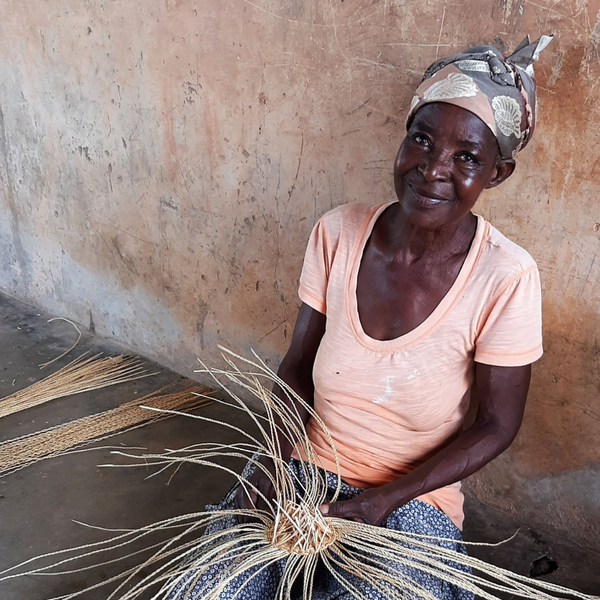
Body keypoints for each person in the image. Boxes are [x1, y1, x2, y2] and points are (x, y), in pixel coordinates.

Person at [168, 34, 552, 600]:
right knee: (205, 589)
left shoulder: (507, 275)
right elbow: (297, 367)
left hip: (411, 499)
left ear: (497, 174)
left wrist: (382, 501)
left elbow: (496, 424)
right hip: (304, 467)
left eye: (467, 157)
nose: (433, 169)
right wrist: (269, 463)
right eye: (421, 140)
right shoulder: (338, 232)